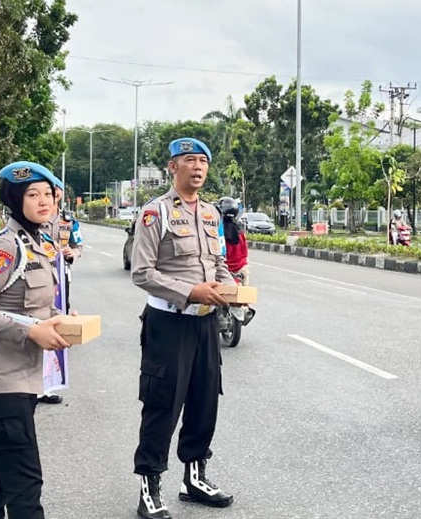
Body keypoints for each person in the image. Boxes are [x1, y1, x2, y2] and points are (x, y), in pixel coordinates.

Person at [0, 160, 72, 519]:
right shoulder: (6, 248)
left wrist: (57, 319)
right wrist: (32, 330)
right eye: (32, 195)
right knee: (25, 482)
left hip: (20, 378)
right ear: (14, 200)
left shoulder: (38, 243)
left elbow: (33, 304)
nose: (43, 202)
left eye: (47, 195)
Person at [130, 138, 236, 519]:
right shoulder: (154, 213)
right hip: (168, 323)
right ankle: (149, 486)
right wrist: (189, 291)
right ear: (172, 167)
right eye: (190, 160)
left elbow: (218, 261)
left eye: (204, 161)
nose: (198, 167)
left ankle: (194, 478)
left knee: (204, 400)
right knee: (163, 404)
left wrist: (231, 287)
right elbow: (142, 273)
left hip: (205, 323)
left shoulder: (211, 214)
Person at [38, 181, 82, 404]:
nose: (52, 195)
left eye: (54, 192)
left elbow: (79, 246)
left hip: (60, 276)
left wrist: (71, 252)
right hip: (36, 276)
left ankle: (49, 384)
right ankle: (35, 386)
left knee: (57, 321)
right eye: (47, 191)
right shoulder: (35, 218)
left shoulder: (68, 221)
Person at [219, 196, 249, 286]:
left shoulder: (217, 231)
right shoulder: (240, 231)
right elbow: (245, 253)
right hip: (240, 270)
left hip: (223, 272)